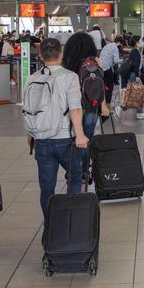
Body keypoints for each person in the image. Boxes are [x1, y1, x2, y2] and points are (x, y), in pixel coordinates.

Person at [30, 38, 89, 216]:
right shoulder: (69, 77)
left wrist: (31, 136)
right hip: (65, 139)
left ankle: (51, 227)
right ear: (61, 54)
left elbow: (30, 109)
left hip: (41, 139)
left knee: (47, 188)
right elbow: (75, 108)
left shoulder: (33, 77)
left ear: (41, 56)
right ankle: (69, 223)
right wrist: (80, 135)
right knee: (75, 177)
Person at [62, 32, 108, 183]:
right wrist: (103, 105)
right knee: (87, 137)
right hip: (92, 106)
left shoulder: (69, 63)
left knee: (74, 136)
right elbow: (101, 85)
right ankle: (85, 171)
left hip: (73, 107)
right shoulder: (95, 62)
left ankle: (73, 171)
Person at [116, 36, 144, 120]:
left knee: (134, 93)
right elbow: (135, 65)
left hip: (132, 74)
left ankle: (137, 111)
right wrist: (137, 76)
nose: (141, 42)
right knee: (136, 93)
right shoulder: (135, 51)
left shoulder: (135, 51)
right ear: (137, 42)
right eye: (140, 40)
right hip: (133, 75)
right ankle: (135, 111)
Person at [99, 34, 123, 107]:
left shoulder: (107, 45)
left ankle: (103, 104)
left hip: (100, 68)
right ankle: (108, 105)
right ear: (120, 43)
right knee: (110, 87)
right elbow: (116, 61)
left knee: (103, 87)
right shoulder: (115, 48)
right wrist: (124, 60)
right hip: (106, 68)